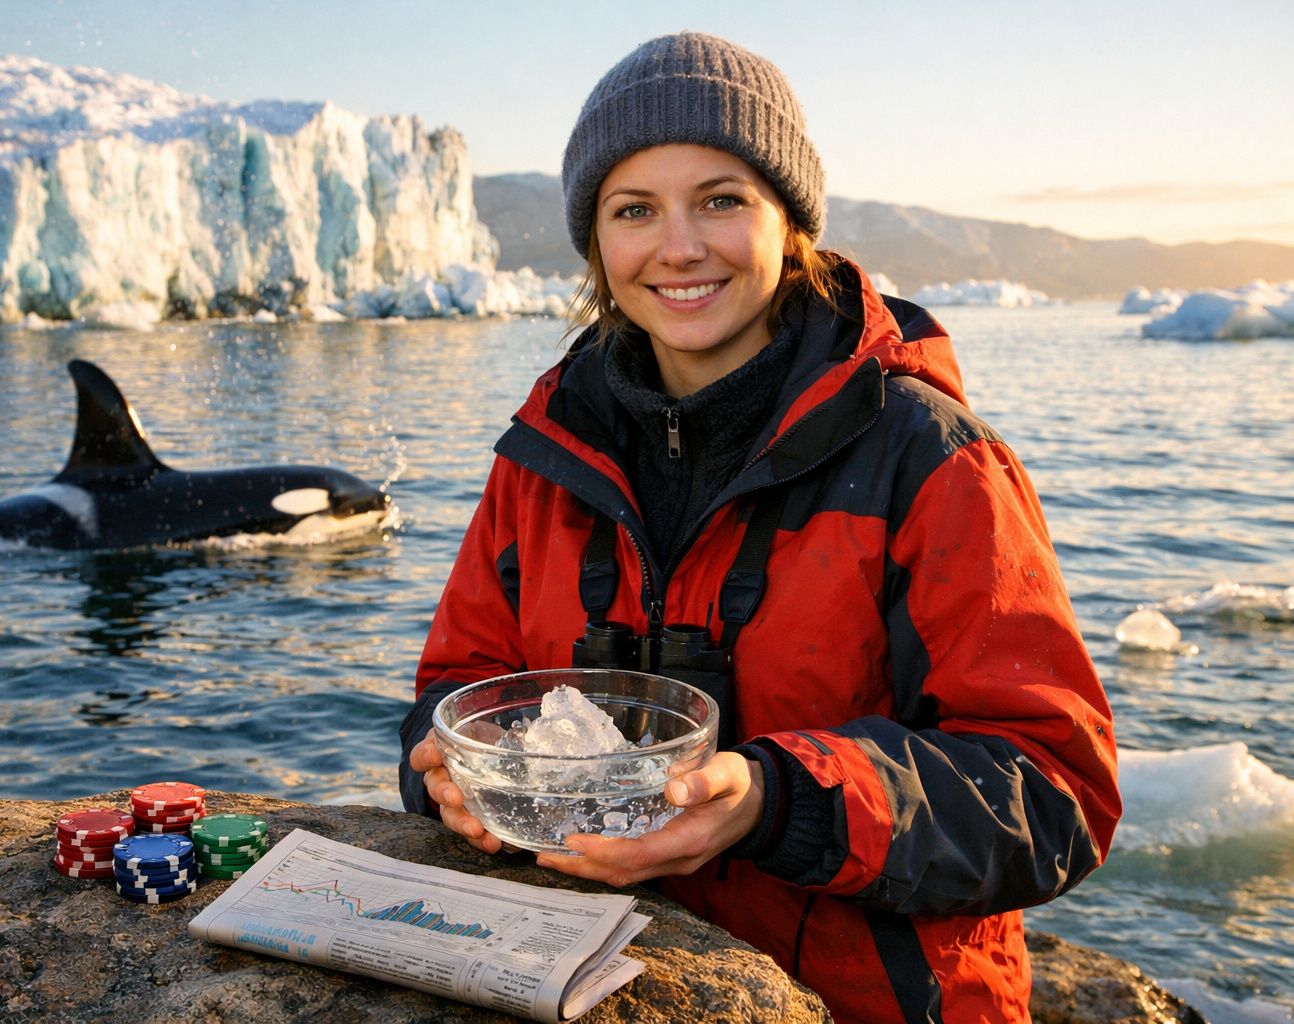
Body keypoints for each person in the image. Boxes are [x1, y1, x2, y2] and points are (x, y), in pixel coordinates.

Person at [400, 31, 1120, 1023]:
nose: (679, 247)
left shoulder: (927, 457)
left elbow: (1056, 792)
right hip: (598, 989)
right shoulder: (547, 454)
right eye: (634, 209)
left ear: (792, 222)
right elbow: (459, 687)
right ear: (596, 242)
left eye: (722, 200)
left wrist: (778, 801)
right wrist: (445, 770)